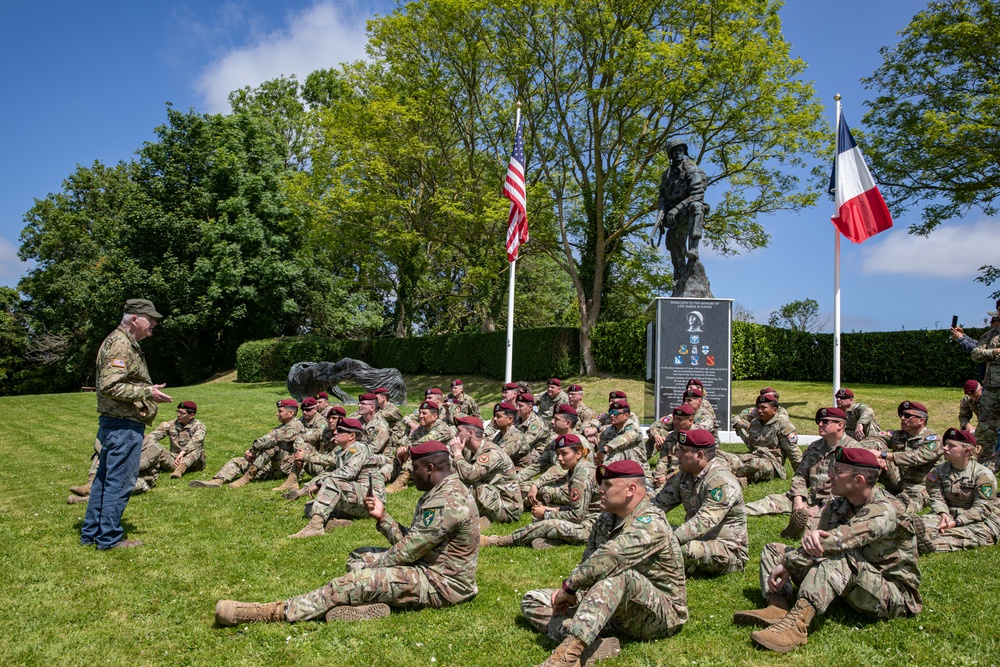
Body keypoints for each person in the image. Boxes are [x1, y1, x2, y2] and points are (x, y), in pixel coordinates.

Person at [215, 440, 479, 625]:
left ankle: (271, 612)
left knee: (354, 580)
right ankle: (367, 605)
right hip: (426, 564)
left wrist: (370, 573)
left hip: (442, 584)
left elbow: (407, 552)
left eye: (415, 469)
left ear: (430, 469)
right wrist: (383, 518)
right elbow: (416, 543)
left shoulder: (447, 501)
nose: (411, 474)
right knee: (359, 556)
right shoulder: (441, 490)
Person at [734, 446, 921, 653]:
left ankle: (797, 626)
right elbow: (817, 543)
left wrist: (789, 563)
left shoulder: (883, 510)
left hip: (890, 593)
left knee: (839, 557)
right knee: (774, 550)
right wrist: (808, 541)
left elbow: (833, 544)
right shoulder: (839, 503)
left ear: (858, 481)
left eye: (837, 471)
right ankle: (777, 607)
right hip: (852, 579)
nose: (829, 475)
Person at [520, 460, 688, 667]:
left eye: (607, 485)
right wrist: (570, 594)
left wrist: (569, 587)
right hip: (610, 603)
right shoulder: (606, 520)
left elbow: (610, 557)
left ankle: (568, 655)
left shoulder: (651, 523)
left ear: (631, 490)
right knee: (533, 600)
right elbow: (588, 562)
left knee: (616, 574)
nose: (600, 490)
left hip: (658, 614)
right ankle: (590, 640)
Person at [80, 299, 172, 550]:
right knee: (119, 481)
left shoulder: (121, 341)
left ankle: (91, 534)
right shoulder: (120, 343)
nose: (153, 323)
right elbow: (109, 385)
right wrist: (147, 393)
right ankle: (108, 539)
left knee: (104, 478)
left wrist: (146, 389)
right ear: (134, 319)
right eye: (149, 318)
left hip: (116, 422)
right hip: (122, 424)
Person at [746, 407, 859, 539]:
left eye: (825, 421)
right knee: (770, 502)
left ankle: (798, 530)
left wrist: (820, 507)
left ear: (840, 425)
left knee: (818, 522)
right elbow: (800, 475)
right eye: (819, 422)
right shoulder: (815, 447)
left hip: (836, 503)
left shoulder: (853, 451)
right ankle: (736, 510)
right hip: (810, 497)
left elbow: (850, 489)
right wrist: (799, 499)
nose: (820, 425)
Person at [653, 429, 748, 575]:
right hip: (694, 539)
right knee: (652, 528)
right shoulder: (685, 474)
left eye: (683, 450)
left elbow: (703, 522)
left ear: (699, 455)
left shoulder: (721, 482)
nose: (677, 454)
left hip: (727, 550)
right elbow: (657, 502)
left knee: (677, 549)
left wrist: (667, 541)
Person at [482, 434, 600, 549]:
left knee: (549, 524)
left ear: (578, 454)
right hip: (587, 518)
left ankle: (501, 541)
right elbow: (575, 507)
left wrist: (547, 513)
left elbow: (577, 516)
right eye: (558, 453)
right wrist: (551, 510)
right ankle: (551, 541)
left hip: (593, 527)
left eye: (564, 454)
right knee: (541, 517)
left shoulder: (581, 476)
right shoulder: (576, 469)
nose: (559, 458)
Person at [288, 418, 385, 538]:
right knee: (310, 507)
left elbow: (348, 472)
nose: (335, 432)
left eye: (340, 431)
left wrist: (319, 483)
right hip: (355, 497)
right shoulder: (344, 451)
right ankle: (335, 523)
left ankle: (316, 527)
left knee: (332, 481)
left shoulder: (358, 448)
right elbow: (327, 461)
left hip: (371, 502)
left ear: (352, 436)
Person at [915, 428, 1000, 554]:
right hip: (948, 514)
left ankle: (933, 545)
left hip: (979, 519)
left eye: (951, 446)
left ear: (967, 451)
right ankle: (920, 537)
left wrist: (957, 522)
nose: (944, 448)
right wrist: (943, 514)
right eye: (946, 444)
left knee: (969, 534)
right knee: (923, 524)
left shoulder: (982, 475)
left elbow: (983, 507)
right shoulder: (938, 472)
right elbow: (936, 496)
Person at [189, 399, 304, 489]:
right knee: (238, 461)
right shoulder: (283, 426)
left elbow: (265, 440)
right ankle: (217, 480)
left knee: (271, 447)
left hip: (287, 469)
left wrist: (252, 452)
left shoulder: (294, 427)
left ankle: (248, 476)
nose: (277, 414)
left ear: (290, 413)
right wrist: (252, 453)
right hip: (273, 466)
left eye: (280, 411)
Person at [863, 400, 941, 513]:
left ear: (921, 420)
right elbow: (873, 439)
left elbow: (917, 457)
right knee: (875, 447)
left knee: (908, 504)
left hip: (920, 484)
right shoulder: (897, 434)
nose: (903, 418)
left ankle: (898, 512)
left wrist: (883, 455)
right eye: (902, 415)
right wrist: (874, 456)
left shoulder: (933, 440)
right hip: (898, 480)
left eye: (907, 416)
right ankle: (860, 491)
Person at [448, 415, 522, 526]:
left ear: (470, 433)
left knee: (474, 487)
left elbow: (469, 476)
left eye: (459, 431)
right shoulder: (471, 450)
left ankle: (480, 518)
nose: (456, 434)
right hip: (493, 498)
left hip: (507, 508)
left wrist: (457, 454)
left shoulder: (490, 452)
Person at [953, 302, 1000, 459]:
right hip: (992, 389)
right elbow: (976, 354)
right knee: (986, 429)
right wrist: (994, 351)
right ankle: (981, 462)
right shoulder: (989, 336)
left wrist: (987, 353)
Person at [518, 404, 581, 508]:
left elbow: (560, 469)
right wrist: (516, 478)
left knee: (527, 489)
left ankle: (544, 505)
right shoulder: (556, 442)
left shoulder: (578, 443)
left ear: (567, 423)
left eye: (556, 419)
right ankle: (541, 503)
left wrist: (536, 484)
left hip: (572, 488)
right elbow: (539, 464)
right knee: (518, 485)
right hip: (556, 483)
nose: (552, 422)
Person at [384, 400, 455, 493]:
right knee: (396, 460)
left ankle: (403, 479)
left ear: (435, 416)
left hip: (444, 464)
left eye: (424, 413)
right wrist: (402, 449)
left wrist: (407, 449)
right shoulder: (421, 429)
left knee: (416, 452)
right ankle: (382, 477)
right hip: (429, 463)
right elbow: (410, 441)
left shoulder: (442, 428)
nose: (420, 416)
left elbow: (424, 443)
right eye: (420, 413)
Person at [729, 393, 801, 484]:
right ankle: (734, 478)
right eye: (758, 407)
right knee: (725, 457)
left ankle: (730, 477)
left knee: (753, 464)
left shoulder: (783, 424)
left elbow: (793, 451)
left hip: (772, 464)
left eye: (763, 407)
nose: (759, 410)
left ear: (774, 410)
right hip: (754, 456)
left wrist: (802, 475)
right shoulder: (755, 422)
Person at [141, 401, 207, 479]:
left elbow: (196, 441)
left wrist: (182, 453)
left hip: (194, 462)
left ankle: (180, 470)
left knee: (198, 448)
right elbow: (154, 435)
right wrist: (145, 443)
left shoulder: (199, 427)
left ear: (191, 415)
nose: (178, 415)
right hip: (175, 460)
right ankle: (140, 466)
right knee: (155, 446)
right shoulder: (171, 424)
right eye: (178, 412)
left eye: (182, 413)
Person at [594, 399, 646, 472]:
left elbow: (624, 439)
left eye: (615, 413)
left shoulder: (633, 428)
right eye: (611, 412)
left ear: (626, 416)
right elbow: (601, 452)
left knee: (620, 452)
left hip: (637, 470)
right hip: (613, 467)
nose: (612, 415)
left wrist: (605, 448)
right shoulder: (607, 432)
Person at [490, 401, 531, 467]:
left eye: (498, 416)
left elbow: (496, 459)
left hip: (517, 473)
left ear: (510, 419)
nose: (494, 419)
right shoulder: (502, 433)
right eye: (495, 416)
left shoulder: (514, 437)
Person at [516, 392, 552, 467]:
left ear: (530, 407)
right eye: (517, 405)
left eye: (520, 406)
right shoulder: (517, 419)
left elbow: (525, 442)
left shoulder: (536, 424)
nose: (517, 408)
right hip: (520, 449)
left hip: (535, 455)